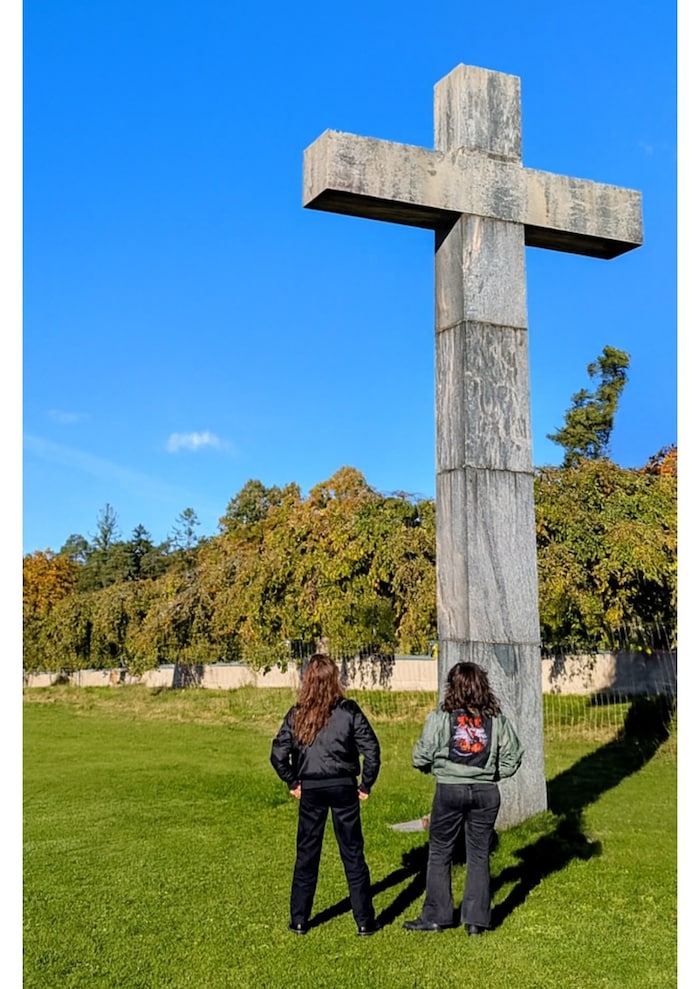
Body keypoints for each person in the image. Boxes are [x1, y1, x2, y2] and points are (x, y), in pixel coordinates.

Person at [403, 661, 523, 936]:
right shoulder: (496, 719)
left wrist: (436, 768)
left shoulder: (441, 717)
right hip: (485, 792)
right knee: (479, 853)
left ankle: (436, 915)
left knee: (440, 851)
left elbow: (420, 755)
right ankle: (476, 921)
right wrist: (492, 773)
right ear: (483, 686)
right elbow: (513, 756)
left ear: (452, 687)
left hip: (449, 789)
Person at [270, 653, 381, 936]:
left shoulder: (297, 714)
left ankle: (299, 919)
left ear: (307, 680)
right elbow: (372, 750)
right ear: (335, 679)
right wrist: (365, 784)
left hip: (312, 789)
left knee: (307, 854)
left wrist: (293, 781)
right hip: (343, 787)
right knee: (353, 855)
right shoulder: (349, 711)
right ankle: (365, 921)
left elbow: (278, 754)